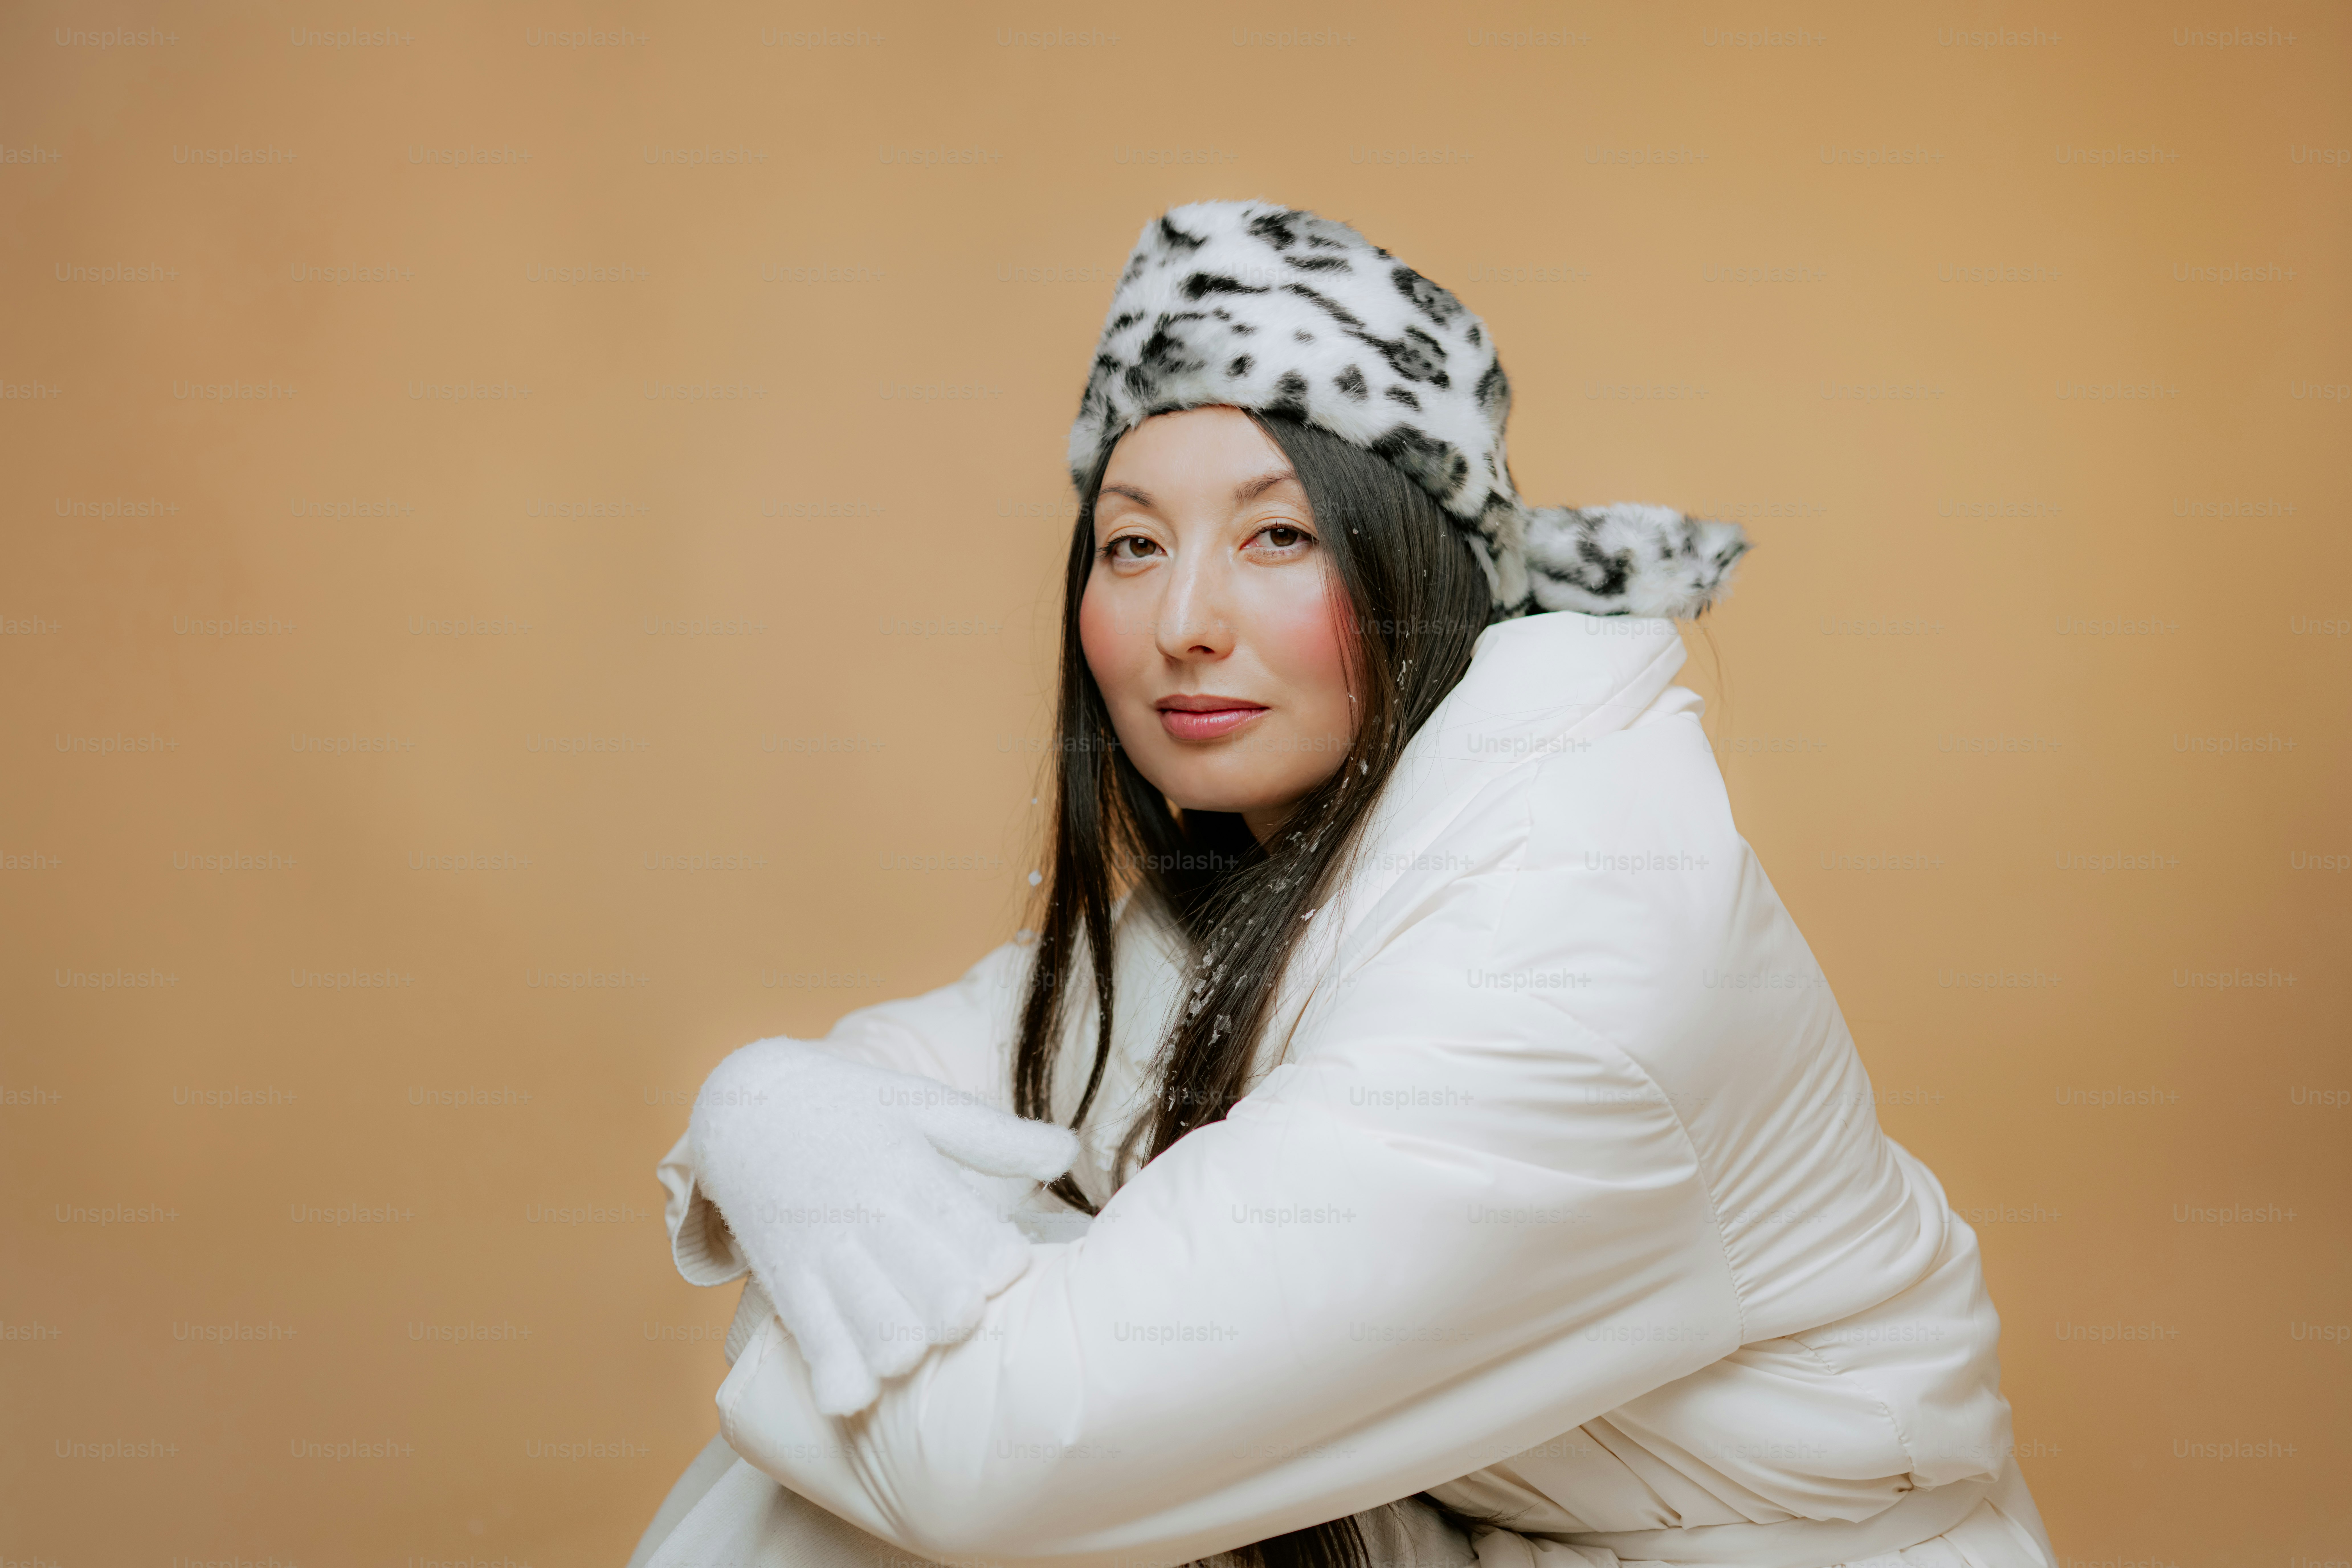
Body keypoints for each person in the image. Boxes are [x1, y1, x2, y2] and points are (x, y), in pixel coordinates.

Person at [626, 200, 2056, 1568]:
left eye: (1278, 536)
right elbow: (937, 1071)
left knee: (859, 1460)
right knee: (852, 1431)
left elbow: (991, 1457)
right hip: (1475, 1538)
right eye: (1133, 544)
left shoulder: (1561, 945)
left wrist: (801, 1236)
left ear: (1413, 568)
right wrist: (765, 1102)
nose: (1184, 621)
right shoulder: (1289, 868)